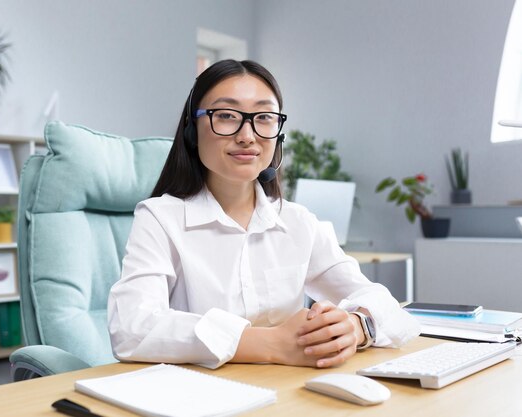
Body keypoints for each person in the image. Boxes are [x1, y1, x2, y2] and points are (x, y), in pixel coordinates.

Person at [108, 59, 419, 369]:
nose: (247, 135)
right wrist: (272, 344)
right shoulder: (160, 218)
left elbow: (391, 310)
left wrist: (356, 327)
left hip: (289, 394)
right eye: (227, 116)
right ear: (192, 129)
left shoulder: (299, 223)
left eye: (264, 117)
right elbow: (132, 329)